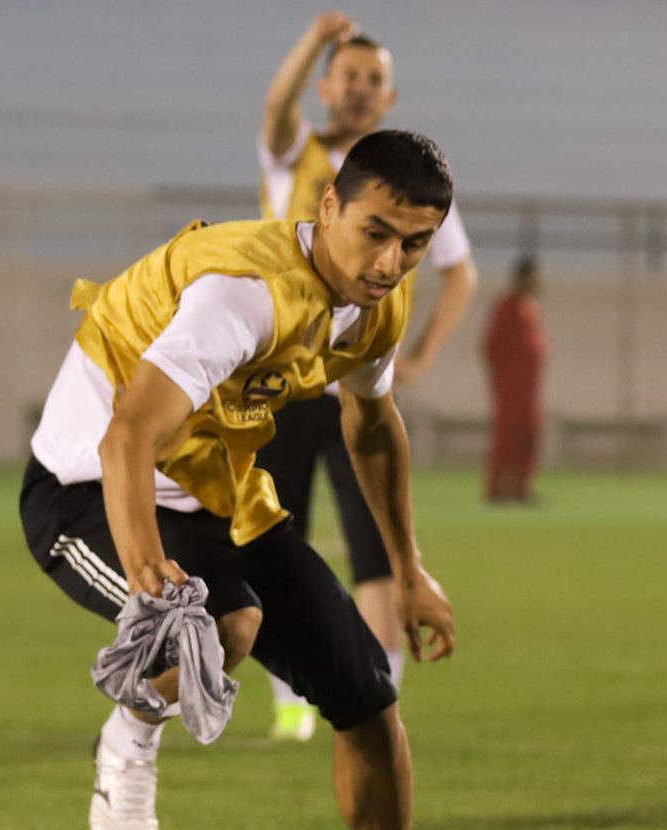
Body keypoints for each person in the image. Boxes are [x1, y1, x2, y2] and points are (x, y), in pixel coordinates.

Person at [20, 130, 457, 830]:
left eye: (415, 244)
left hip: (217, 498)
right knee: (219, 624)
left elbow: (371, 425)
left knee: (365, 690)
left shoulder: (376, 303)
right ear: (329, 207)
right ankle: (131, 730)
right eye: (376, 233)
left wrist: (408, 569)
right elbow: (125, 438)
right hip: (87, 490)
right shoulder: (244, 292)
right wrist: (156, 584)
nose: (392, 263)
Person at [255, 12, 479, 740]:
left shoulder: (414, 181)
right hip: (282, 391)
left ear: (390, 95)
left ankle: (377, 699)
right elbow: (274, 108)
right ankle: (293, 703)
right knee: (275, 543)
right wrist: (318, 36)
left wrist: (419, 355)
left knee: (377, 554)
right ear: (325, 85)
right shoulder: (299, 154)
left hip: (354, 387)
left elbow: (462, 275)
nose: (358, 90)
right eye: (347, 76)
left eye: (373, 80)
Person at [484, 257, 547, 504]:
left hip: (530, 388)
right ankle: (498, 487)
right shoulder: (507, 307)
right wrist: (503, 375)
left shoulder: (531, 308)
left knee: (529, 435)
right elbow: (491, 346)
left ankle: (521, 486)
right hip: (510, 386)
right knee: (507, 435)